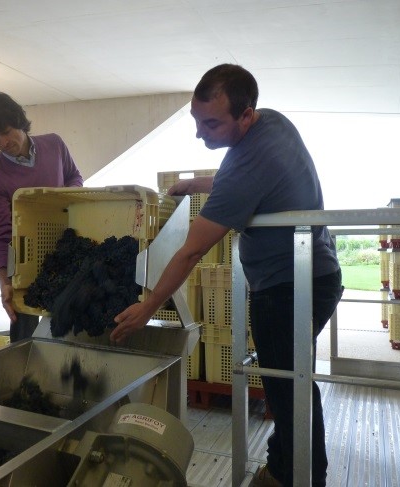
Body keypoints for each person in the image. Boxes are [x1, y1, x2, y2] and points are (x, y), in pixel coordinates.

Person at [110, 64, 343, 487]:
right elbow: (238, 177)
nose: (201, 133)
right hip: (321, 276)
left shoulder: (248, 161)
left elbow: (192, 251)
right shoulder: (273, 124)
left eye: (212, 123)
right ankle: (285, 465)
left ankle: (300, 477)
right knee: (292, 385)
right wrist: (194, 183)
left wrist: (147, 307)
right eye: (197, 121)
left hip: (285, 290)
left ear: (246, 115)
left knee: (289, 393)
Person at [0, 92, 83, 342]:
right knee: (24, 338)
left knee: (69, 328)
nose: (3, 142)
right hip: (25, 260)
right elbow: (1, 233)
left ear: (19, 121)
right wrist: (4, 281)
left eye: (6, 131)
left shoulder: (55, 145)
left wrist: (64, 199)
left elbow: (74, 176)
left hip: (65, 248)